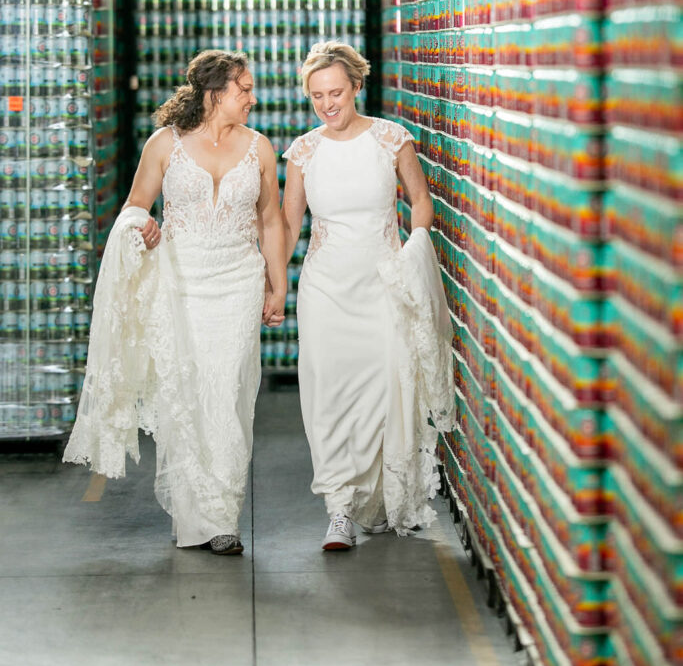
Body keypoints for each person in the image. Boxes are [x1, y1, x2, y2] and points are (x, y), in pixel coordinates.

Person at [64, 50, 287, 556]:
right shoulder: (163, 144)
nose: (252, 97)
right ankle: (196, 516)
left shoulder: (260, 148)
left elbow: (270, 220)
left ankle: (223, 516)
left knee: (226, 392)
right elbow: (134, 205)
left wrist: (278, 286)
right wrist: (138, 226)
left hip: (237, 282)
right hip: (179, 284)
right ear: (215, 94)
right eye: (243, 89)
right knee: (184, 394)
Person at [282, 41, 455, 551]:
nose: (327, 104)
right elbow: (290, 223)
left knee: (383, 392)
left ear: (357, 86)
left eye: (335, 92)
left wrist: (416, 246)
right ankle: (338, 510)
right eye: (316, 96)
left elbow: (420, 202)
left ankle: (376, 498)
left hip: (382, 284)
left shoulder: (390, 139)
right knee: (328, 395)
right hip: (325, 290)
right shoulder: (303, 150)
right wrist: (270, 281)